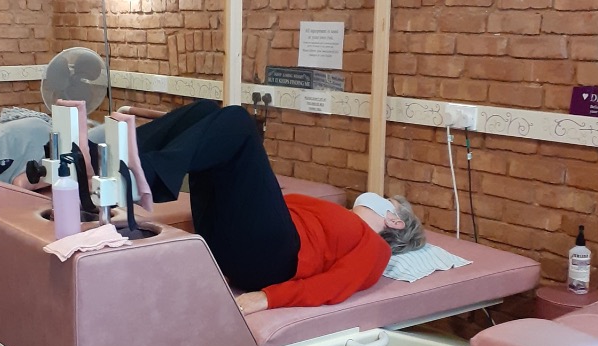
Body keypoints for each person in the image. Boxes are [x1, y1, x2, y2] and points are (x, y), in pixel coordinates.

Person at [131, 100, 426, 315]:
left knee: (238, 121)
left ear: (394, 221)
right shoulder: (339, 218)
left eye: (386, 200)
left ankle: (137, 175)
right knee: (206, 110)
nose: (375, 197)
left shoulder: (376, 247)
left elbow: (334, 285)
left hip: (271, 259)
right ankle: (122, 154)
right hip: (234, 242)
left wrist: (267, 298)